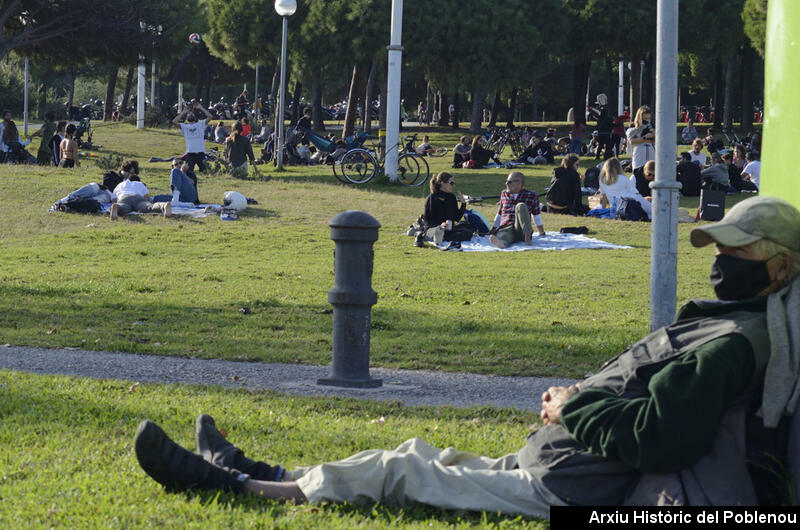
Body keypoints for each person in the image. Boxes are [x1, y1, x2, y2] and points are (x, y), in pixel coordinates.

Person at [133, 196, 800, 515]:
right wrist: (579, 408)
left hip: (567, 491)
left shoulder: (739, 343)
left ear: (779, 267)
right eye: (717, 246)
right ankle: (263, 468)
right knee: (423, 457)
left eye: (736, 250)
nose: (719, 259)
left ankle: (241, 487)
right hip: (564, 467)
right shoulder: (739, 324)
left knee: (404, 471)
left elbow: (661, 437)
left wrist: (578, 403)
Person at [488, 172, 545, 248]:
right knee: (504, 234)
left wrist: (541, 232)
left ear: (519, 183)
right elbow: (500, 213)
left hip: (521, 229)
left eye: (509, 182)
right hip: (506, 227)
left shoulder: (531, 195)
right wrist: (493, 229)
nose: (506, 184)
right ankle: (502, 244)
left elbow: (536, 215)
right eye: (506, 181)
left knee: (521, 206)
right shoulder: (504, 193)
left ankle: (527, 237)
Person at [421, 172, 473, 250]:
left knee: (468, 231)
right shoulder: (432, 198)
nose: (453, 186)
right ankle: (439, 237)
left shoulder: (451, 198)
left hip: (449, 230)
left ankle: (444, 237)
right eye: (451, 183)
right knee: (434, 233)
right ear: (442, 183)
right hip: (434, 229)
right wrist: (440, 225)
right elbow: (428, 221)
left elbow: (456, 218)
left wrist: (463, 204)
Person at [172, 100, 213, 173]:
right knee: (187, 171)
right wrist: (183, 112)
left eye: (192, 114)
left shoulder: (200, 124)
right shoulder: (184, 126)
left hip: (201, 153)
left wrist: (201, 108)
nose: (190, 115)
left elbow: (210, 117)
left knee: (205, 172)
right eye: (189, 114)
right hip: (190, 153)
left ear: (195, 116)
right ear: (186, 117)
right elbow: (174, 122)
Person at [625, 105, 655, 184]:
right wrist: (645, 138)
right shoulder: (633, 129)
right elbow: (632, 141)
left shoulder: (651, 127)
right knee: (638, 173)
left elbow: (654, 140)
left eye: (649, 118)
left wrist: (651, 136)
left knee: (651, 171)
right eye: (645, 119)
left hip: (650, 150)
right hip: (639, 152)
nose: (647, 121)